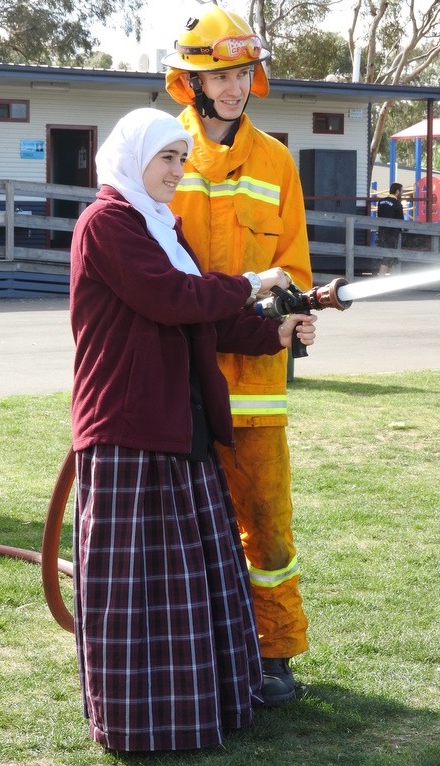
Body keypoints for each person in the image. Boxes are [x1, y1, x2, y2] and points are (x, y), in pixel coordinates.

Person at [69, 107, 316, 752]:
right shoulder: (108, 225)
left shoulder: (161, 229)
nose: (177, 172)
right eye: (166, 160)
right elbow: (174, 300)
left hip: (181, 425)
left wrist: (276, 331)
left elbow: (202, 317)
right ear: (132, 160)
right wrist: (251, 283)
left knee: (191, 578)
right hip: (129, 430)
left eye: (182, 159)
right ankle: (141, 722)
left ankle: (198, 707)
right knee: (140, 589)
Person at [163, 4, 313, 706]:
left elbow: (297, 271)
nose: (231, 84)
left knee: (268, 524)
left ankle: (275, 652)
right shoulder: (166, 155)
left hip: (254, 385)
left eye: (241, 71)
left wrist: (293, 314)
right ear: (189, 81)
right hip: (183, 382)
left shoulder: (277, 162)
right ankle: (210, 648)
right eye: (217, 72)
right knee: (192, 526)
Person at [376, 182, 404, 276]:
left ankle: (393, 281)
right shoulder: (397, 203)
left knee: (391, 257)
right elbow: (401, 221)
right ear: (397, 191)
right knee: (389, 256)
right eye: (402, 191)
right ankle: (380, 278)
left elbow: (379, 215)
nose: (402, 193)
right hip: (392, 233)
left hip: (381, 231)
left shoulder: (381, 201)